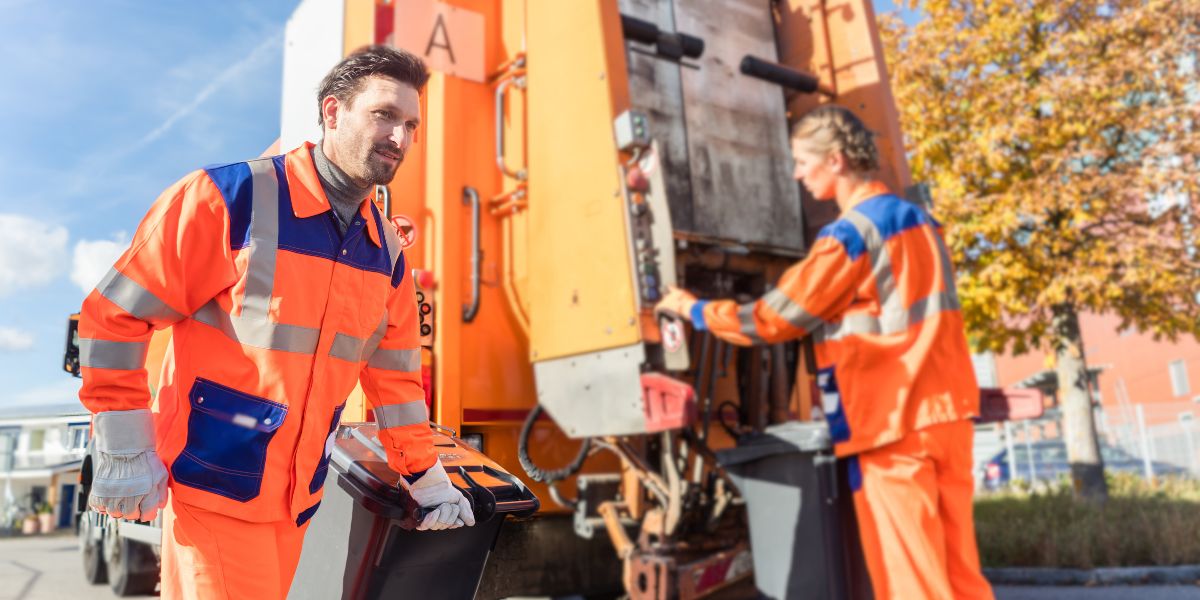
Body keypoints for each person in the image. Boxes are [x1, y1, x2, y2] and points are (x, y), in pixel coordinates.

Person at [77, 46, 474, 600]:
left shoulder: (386, 252)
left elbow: (396, 385)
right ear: (333, 112)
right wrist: (123, 445)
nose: (400, 138)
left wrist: (425, 474)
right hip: (213, 488)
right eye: (384, 115)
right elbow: (114, 316)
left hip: (297, 503)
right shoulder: (228, 199)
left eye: (410, 124)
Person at [656, 106, 994, 600]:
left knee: (911, 580)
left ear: (835, 160)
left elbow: (775, 317)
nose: (796, 174)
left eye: (801, 161)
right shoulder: (921, 223)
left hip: (891, 425)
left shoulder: (851, 235)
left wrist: (696, 310)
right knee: (960, 572)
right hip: (948, 415)